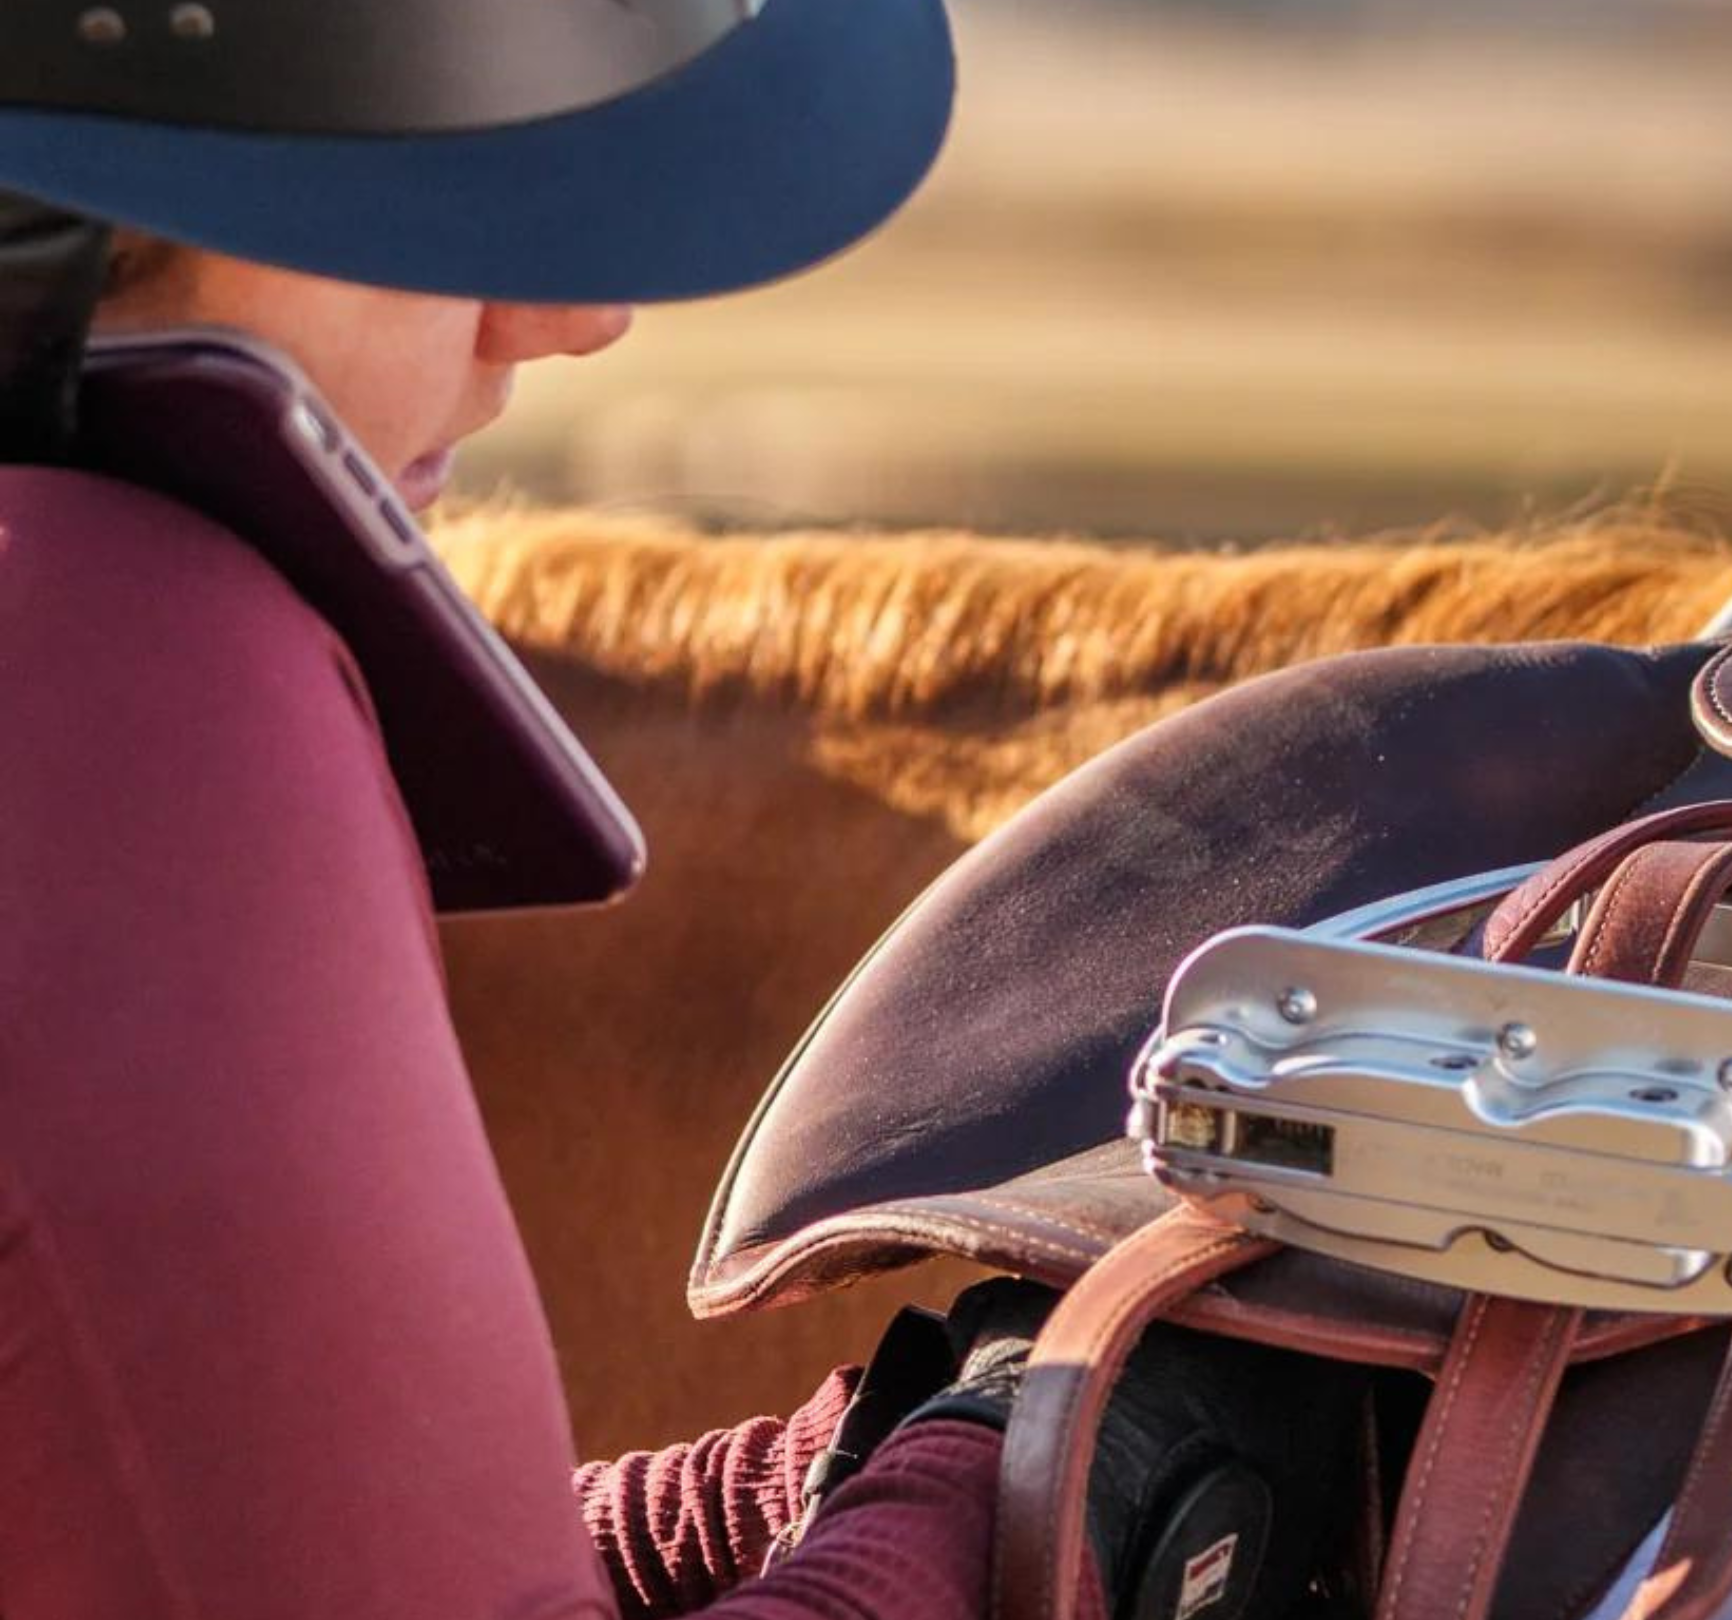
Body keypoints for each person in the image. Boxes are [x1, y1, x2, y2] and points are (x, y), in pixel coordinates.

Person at [0, 3, 1065, 1614]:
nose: (562, 316)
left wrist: (789, 1497)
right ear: (56, 222)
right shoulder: (112, 646)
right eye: (414, 190)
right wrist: (1001, 1490)